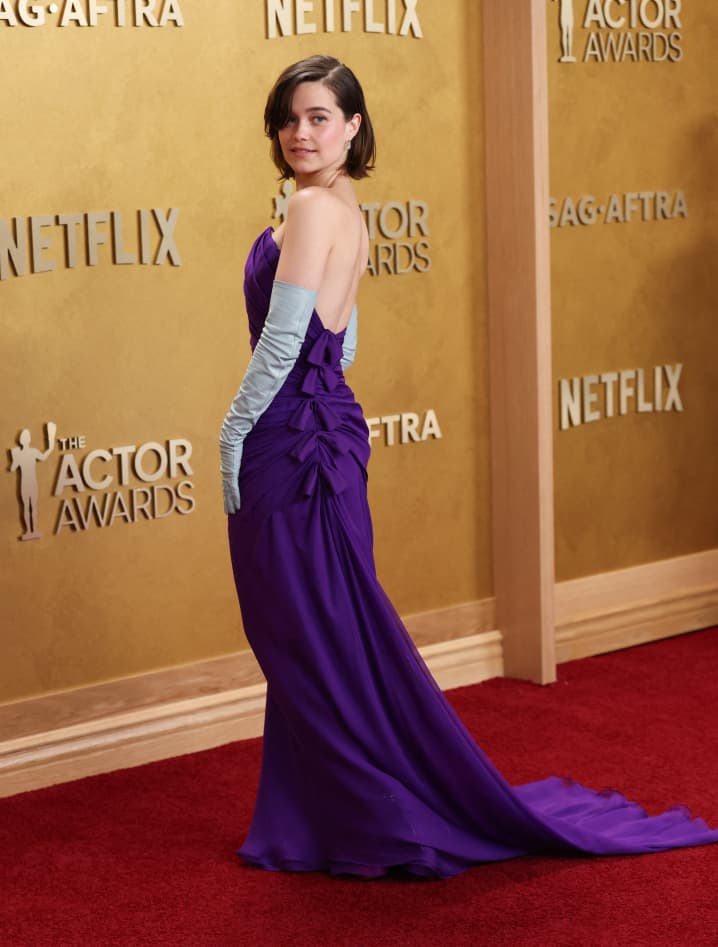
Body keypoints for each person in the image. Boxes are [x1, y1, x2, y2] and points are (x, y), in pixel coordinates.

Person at [219, 55, 718, 879]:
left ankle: (368, 816)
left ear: (352, 126)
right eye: (289, 117)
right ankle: (322, 814)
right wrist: (314, 398)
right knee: (325, 628)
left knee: (304, 630)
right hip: (324, 432)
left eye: (318, 117)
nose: (299, 132)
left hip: (290, 442)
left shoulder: (309, 208)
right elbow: (342, 340)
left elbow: (282, 343)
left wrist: (234, 432)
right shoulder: (345, 206)